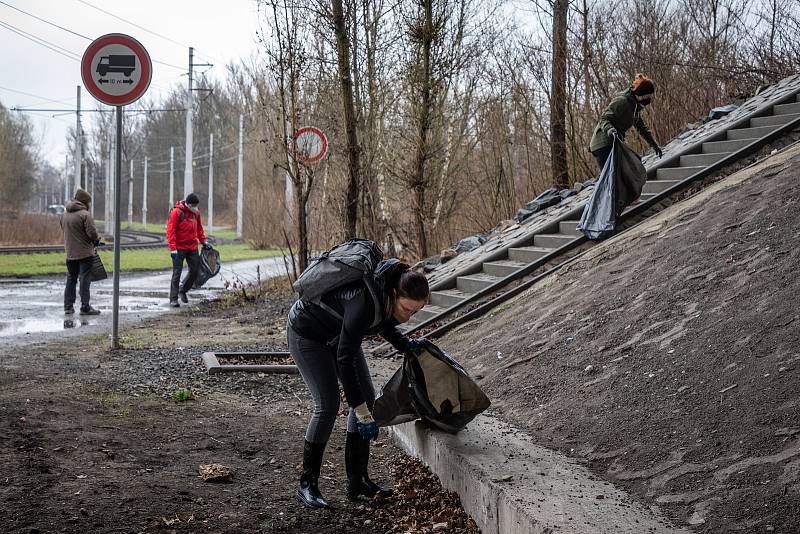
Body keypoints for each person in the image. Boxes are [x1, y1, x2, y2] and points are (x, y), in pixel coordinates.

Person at [287, 260, 430, 509]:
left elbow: (382, 321)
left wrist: (404, 344)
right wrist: (361, 412)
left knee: (367, 395)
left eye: (415, 313)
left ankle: (358, 480)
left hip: (338, 334)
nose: (408, 317)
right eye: (407, 309)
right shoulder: (364, 300)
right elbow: (345, 358)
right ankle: (307, 485)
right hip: (307, 333)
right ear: (394, 293)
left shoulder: (386, 294)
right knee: (327, 405)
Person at [589, 73, 662, 171]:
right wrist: (610, 130)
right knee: (616, 175)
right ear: (640, 94)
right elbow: (604, 118)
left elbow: (642, 129)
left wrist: (654, 145)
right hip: (603, 143)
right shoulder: (622, 101)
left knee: (635, 162)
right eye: (647, 96)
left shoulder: (634, 107)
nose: (649, 99)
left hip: (614, 142)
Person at [166, 193, 211, 307]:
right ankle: (173, 299)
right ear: (189, 204)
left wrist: (203, 241)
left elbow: (199, 229)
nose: (196, 208)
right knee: (177, 272)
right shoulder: (177, 213)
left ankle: (183, 289)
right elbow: (171, 231)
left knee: (195, 271)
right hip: (179, 248)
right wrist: (173, 249)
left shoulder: (196, 213)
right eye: (194, 206)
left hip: (192, 247)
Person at [61, 188, 101, 316]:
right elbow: (92, 233)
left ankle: (68, 307)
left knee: (71, 278)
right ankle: (85, 307)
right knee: (84, 279)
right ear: (85, 201)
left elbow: (63, 228)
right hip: (84, 253)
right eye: (89, 201)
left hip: (70, 253)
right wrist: (96, 240)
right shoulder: (85, 214)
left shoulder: (65, 214)